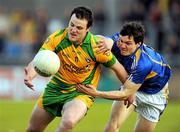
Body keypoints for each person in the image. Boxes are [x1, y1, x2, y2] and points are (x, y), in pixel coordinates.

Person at [24, 6, 128, 132]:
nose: (73, 30)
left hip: (80, 93)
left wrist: (128, 91)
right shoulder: (57, 38)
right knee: (32, 129)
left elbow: (119, 69)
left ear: (88, 29)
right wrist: (30, 75)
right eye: (71, 25)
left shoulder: (97, 46)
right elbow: (39, 60)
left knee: (69, 122)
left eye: (79, 28)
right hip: (54, 89)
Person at [76, 21, 172, 132]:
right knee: (112, 126)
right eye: (121, 41)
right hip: (132, 84)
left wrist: (96, 93)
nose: (123, 46)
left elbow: (124, 93)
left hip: (155, 94)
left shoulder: (143, 64)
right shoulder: (118, 41)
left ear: (138, 44)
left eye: (128, 43)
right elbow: (96, 39)